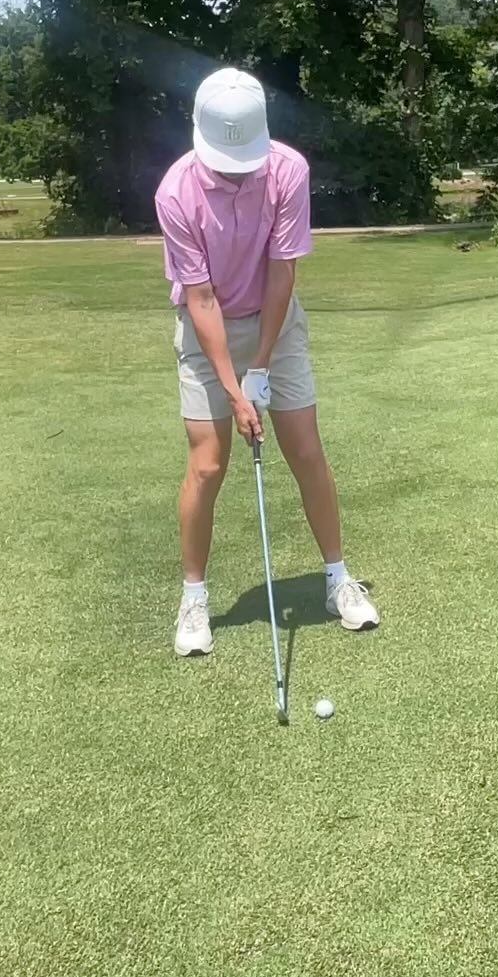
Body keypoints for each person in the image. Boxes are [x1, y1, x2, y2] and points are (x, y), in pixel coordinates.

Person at [155, 67, 381, 658]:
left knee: (305, 448)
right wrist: (236, 391)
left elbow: (283, 272)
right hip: (205, 328)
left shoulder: (287, 170)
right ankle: (194, 598)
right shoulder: (175, 192)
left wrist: (260, 366)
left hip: (275, 322)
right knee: (208, 465)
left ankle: (338, 580)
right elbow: (201, 298)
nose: (236, 172)